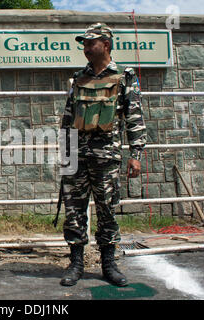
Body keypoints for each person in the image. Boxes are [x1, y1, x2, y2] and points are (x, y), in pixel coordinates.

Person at [59, 23, 147, 287]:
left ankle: (109, 263)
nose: (85, 48)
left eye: (90, 43)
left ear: (106, 44)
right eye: (84, 44)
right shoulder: (78, 78)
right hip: (77, 157)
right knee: (74, 210)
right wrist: (65, 154)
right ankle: (76, 264)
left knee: (107, 210)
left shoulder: (124, 75)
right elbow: (67, 118)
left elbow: (134, 116)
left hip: (106, 157)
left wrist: (136, 153)